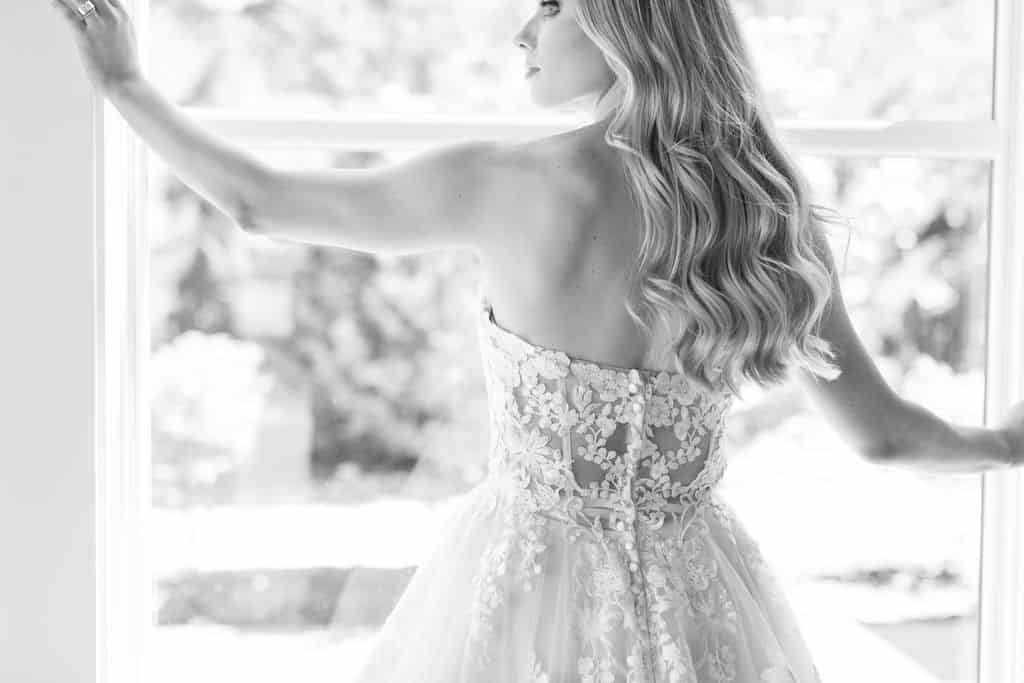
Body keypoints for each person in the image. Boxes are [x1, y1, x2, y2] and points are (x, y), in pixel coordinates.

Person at [51, 0, 1024, 680]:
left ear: (621, 15)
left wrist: (129, 86)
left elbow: (260, 203)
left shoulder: (502, 182)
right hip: (702, 590)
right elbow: (884, 435)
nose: (521, 30)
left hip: (520, 580)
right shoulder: (763, 212)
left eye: (550, 3)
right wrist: (1007, 442)